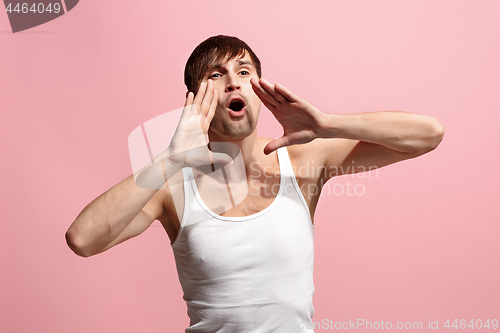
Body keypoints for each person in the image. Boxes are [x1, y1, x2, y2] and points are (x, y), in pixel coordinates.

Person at [65, 35, 444, 332]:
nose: (233, 82)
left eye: (244, 72)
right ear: (195, 98)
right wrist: (170, 159)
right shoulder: (171, 185)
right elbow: (83, 239)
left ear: (258, 89)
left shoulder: (303, 161)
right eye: (216, 75)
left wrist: (328, 125)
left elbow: (427, 135)